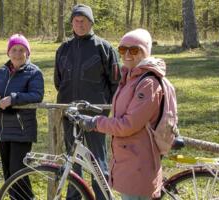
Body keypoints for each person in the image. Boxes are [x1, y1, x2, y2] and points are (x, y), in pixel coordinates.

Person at [76, 29, 165, 200]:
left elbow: (127, 125)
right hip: (129, 158)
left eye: (134, 50)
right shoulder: (130, 77)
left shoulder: (148, 83)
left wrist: (96, 122)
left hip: (139, 161)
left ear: (145, 51)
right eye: (123, 50)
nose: (127, 55)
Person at [54, 4, 121, 199]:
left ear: (91, 22)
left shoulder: (104, 48)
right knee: (72, 158)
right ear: (72, 23)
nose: (80, 24)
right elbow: (58, 81)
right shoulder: (63, 49)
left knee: (97, 159)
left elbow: (115, 82)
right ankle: (74, 196)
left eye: (84, 20)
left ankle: (102, 196)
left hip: (95, 115)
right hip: (69, 112)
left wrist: (106, 108)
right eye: (76, 20)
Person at [0, 34, 44, 199]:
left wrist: (13, 99)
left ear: (28, 53)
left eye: (22, 50)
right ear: (8, 53)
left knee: (17, 172)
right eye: (14, 50)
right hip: (2, 128)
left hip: (21, 129)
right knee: (7, 172)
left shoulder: (34, 72)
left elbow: (36, 95)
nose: (18, 54)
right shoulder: (2, 71)